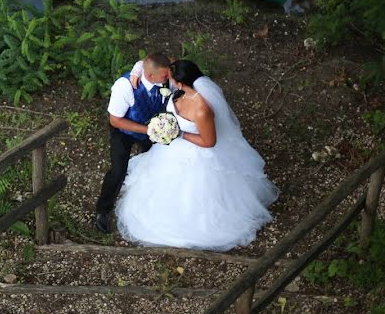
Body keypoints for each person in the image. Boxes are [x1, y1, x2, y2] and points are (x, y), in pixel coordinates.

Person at [114, 60, 279, 251]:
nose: (168, 80)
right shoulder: (180, 88)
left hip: (196, 154)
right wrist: (136, 71)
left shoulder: (202, 110)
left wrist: (179, 133)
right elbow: (152, 62)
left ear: (181, 83)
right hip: (172, 150)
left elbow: (209, 142)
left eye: (171, 78)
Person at [95, 52, 172, 233]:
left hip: (154, 127)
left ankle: (151, 205)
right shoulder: (124, 87)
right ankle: (102, 211)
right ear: (151, 75)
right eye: (164, 75)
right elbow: (115, 120)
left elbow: (149, 61)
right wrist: (149, 130)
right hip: (124, 131)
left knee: (157, 164)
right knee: (118, 171)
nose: (168, 78)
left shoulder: (161, 75)